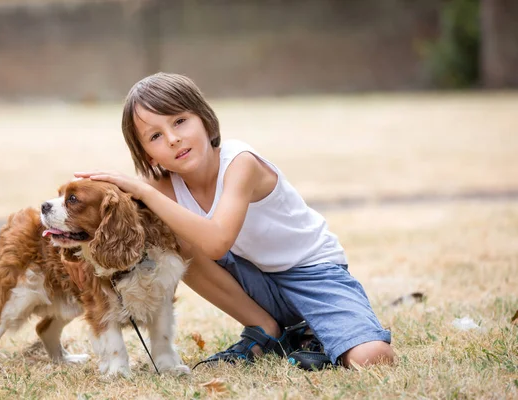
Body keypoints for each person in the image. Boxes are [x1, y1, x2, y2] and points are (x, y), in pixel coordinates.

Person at [69, 72, 394, 370]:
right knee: (174, 243)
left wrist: (145, 191)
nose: (172, 138)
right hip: (256, 286)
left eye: (180, 121)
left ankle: (315, 333)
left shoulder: (241, 163)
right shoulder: (160, 187)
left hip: (314, 274)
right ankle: (266, 331)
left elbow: (216, 241)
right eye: (155, 136)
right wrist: (68, 240)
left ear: (206, 121)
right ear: (148, 155)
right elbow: (107, 219)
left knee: (372, 357)